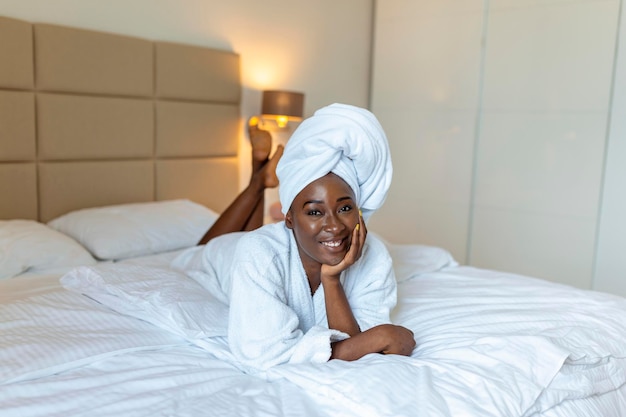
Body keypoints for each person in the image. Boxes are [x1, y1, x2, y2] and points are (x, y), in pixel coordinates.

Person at [189, 103, 415, 372]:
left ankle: (261, 177)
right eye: (315, 211)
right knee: (207, 246)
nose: (333, 226)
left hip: (276, 244)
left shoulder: (374, 255)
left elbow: (359, 343)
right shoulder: (257, 251)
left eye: (345, 208)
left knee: (250, 236)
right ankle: (258, 181)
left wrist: (331, 279)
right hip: (221, 256)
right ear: (288, 218)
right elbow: (262, 353)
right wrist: (376, 339)